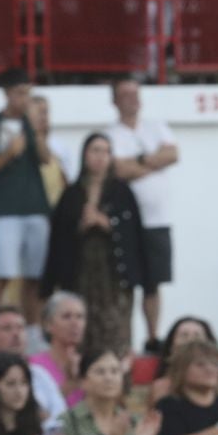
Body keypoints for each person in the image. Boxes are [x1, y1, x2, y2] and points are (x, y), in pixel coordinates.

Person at [46, 133, 148, 358]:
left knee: (115, 330)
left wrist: (107, 223)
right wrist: (81, 225)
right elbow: (59, 237)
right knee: (81, 329)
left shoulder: (122, 192)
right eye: (95, 150)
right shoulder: (72, 194)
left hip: (114, 277)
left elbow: (133, 234)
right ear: (84, 155)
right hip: (81, 274)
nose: (101, 157)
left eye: (106, 151)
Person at [0, 72, 57, 328]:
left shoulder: (30, 126)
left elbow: (46, 159)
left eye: (28, 93)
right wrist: (8, 154)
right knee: (3, 275)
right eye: (20, 93)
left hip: (36, 209)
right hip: (6, 211)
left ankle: (32, 330)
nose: (24, 99)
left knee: (36, 278)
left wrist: (37, 131)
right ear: (7, 94)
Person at [105, 80, 180, 351]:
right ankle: (123, 340)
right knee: (125, 283)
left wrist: (137, 162)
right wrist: (153, 161)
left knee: (153, 282)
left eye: (135, 93)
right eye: (125, 94)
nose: (132, 99)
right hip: (126, 222)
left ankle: (151, 338)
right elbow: (118, 171)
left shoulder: (156, 126)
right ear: (114, 100)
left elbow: (172, 154)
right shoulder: (111, 134)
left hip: (157, 219)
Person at [35, 290, 88, 410]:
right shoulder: (34, 365)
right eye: (66, 316)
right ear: (48, 324)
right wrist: (72, 383)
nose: (75, 323)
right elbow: (37, 409)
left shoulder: (91, 363)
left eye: (80, 317)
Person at [147, 315, 217, 404]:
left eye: (197, 336)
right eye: (184, 335)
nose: (191, 340)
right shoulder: (161, 388)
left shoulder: (215, 383)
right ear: (171, 347)